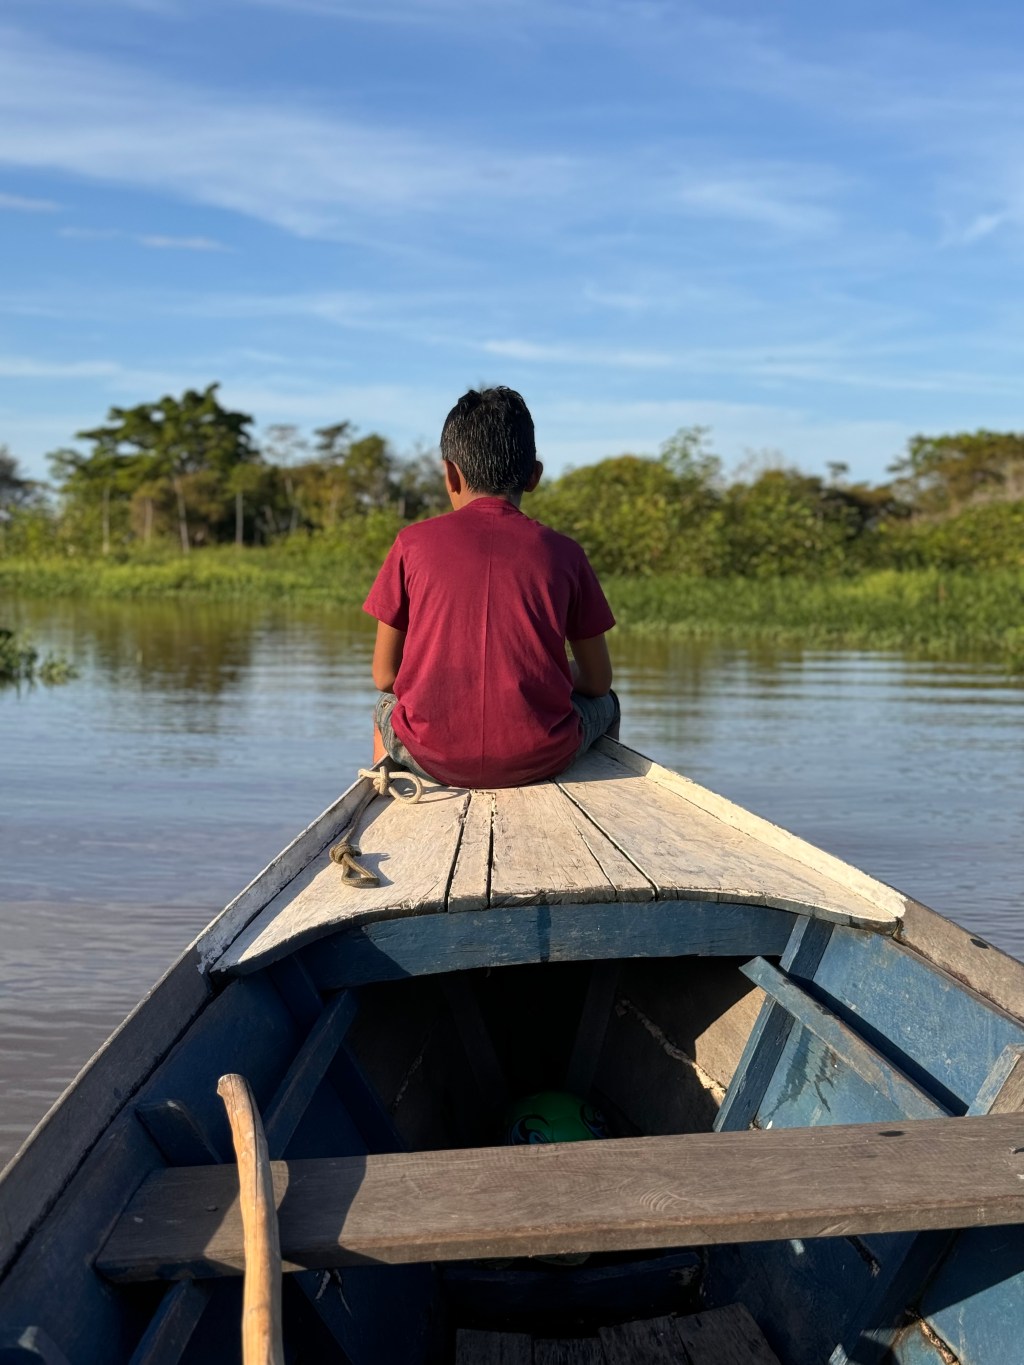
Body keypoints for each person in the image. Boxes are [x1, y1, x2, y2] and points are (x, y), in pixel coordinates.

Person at [363, 386, 618, 789]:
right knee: (607, 704)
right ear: (534, 476)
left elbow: (385, 676)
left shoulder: (411, 544)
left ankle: (384, 793)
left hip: (430, 758)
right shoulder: (565, 553)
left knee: (385, 707)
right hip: (542, 757)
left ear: (450, 474)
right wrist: (550, 677)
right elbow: (598, 681)